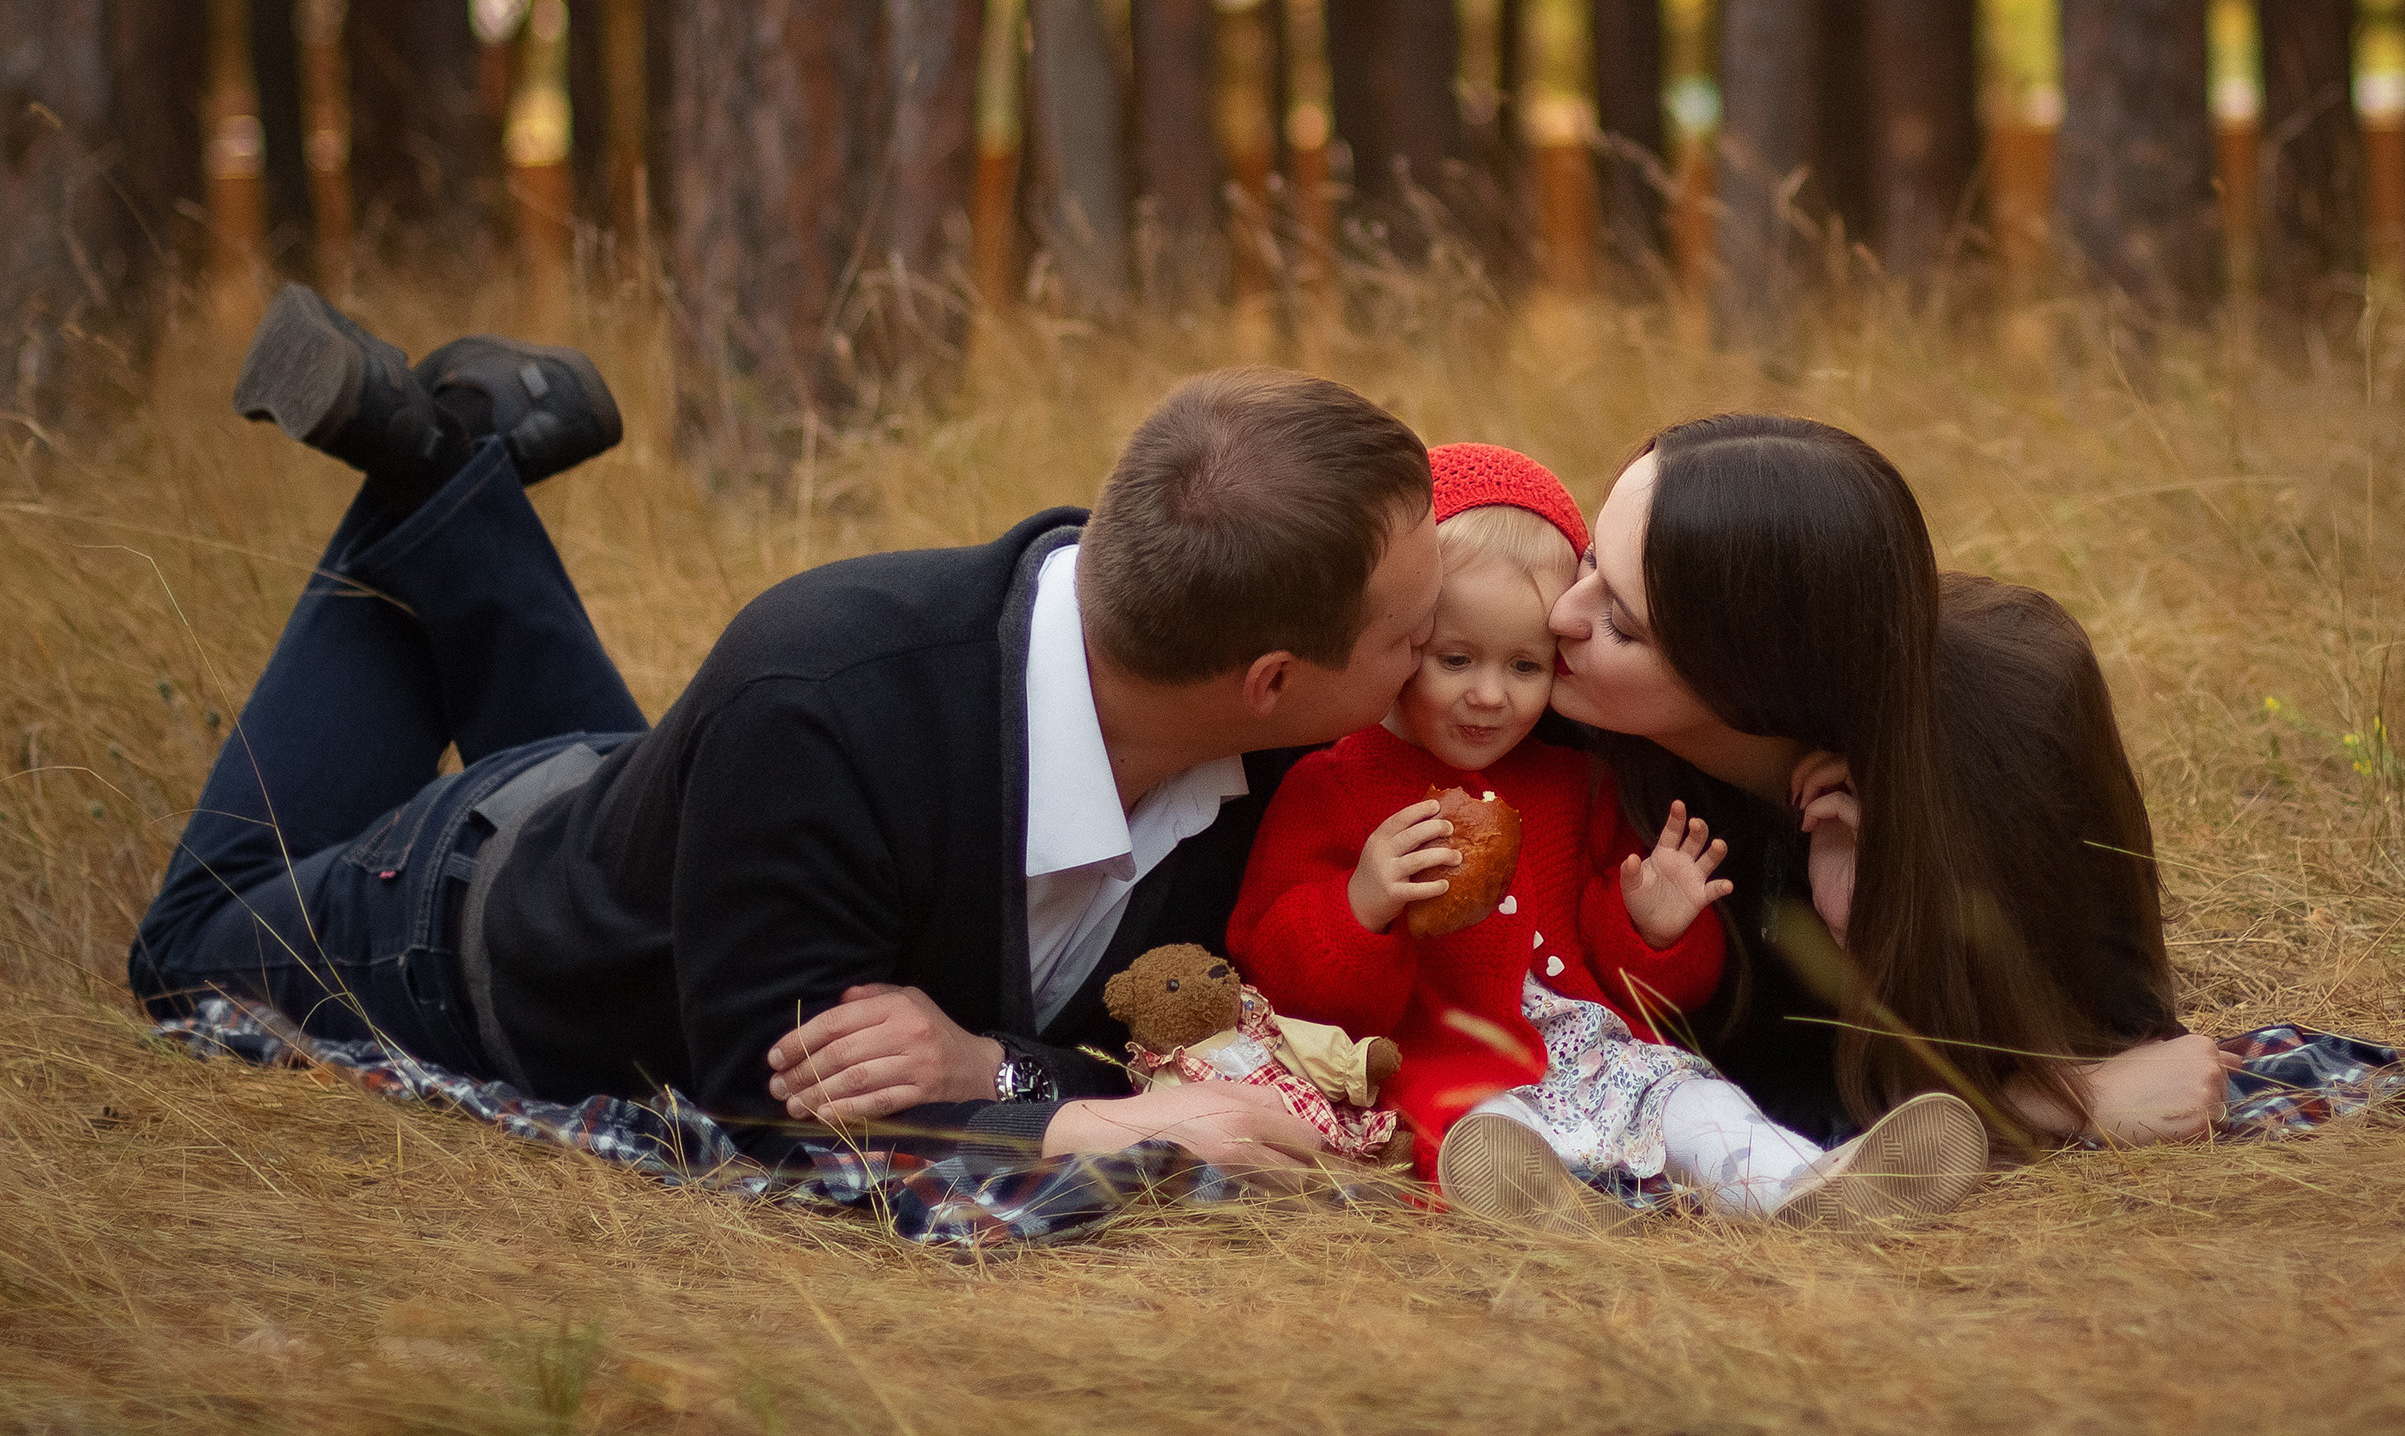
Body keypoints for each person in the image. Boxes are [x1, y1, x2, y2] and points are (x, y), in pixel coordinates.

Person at [131, 287, 1441, 1168]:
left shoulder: (1282, 742)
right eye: (1409, 634)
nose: (1431, 655)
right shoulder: (824, 693)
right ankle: (430, 470)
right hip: (457, 920)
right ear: (1271, 676)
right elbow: (778, 1101)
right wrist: (1081, 1117)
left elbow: (1212, 1018)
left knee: (688, 782)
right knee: (180, 954)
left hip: (680, 823)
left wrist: (990, 1059)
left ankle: (456, 468)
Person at [1229, 445, 1992, 1228]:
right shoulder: (1334, 787)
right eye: (1455, 659)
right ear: (1404, 639)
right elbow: (1283, 986)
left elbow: (1653, 990)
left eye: (1526, 665)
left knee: (1700, 1104)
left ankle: (1808, 1186)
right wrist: (1361, 905)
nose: (1489, 695)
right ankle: (1567, 1213)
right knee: (1491, 1140)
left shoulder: (1577, 782)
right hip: (1458, 1073)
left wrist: (1652, 928)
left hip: (1609, 1059)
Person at [1546, 414, 2232, 1154]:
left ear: (1747, 678)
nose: (1561, 614)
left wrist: (1866, 943)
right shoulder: (1548, 719)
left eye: (1618, 619)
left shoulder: (2018, 722)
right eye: (1587, 560)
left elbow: (2108, 1025)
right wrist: (2032, 1105)